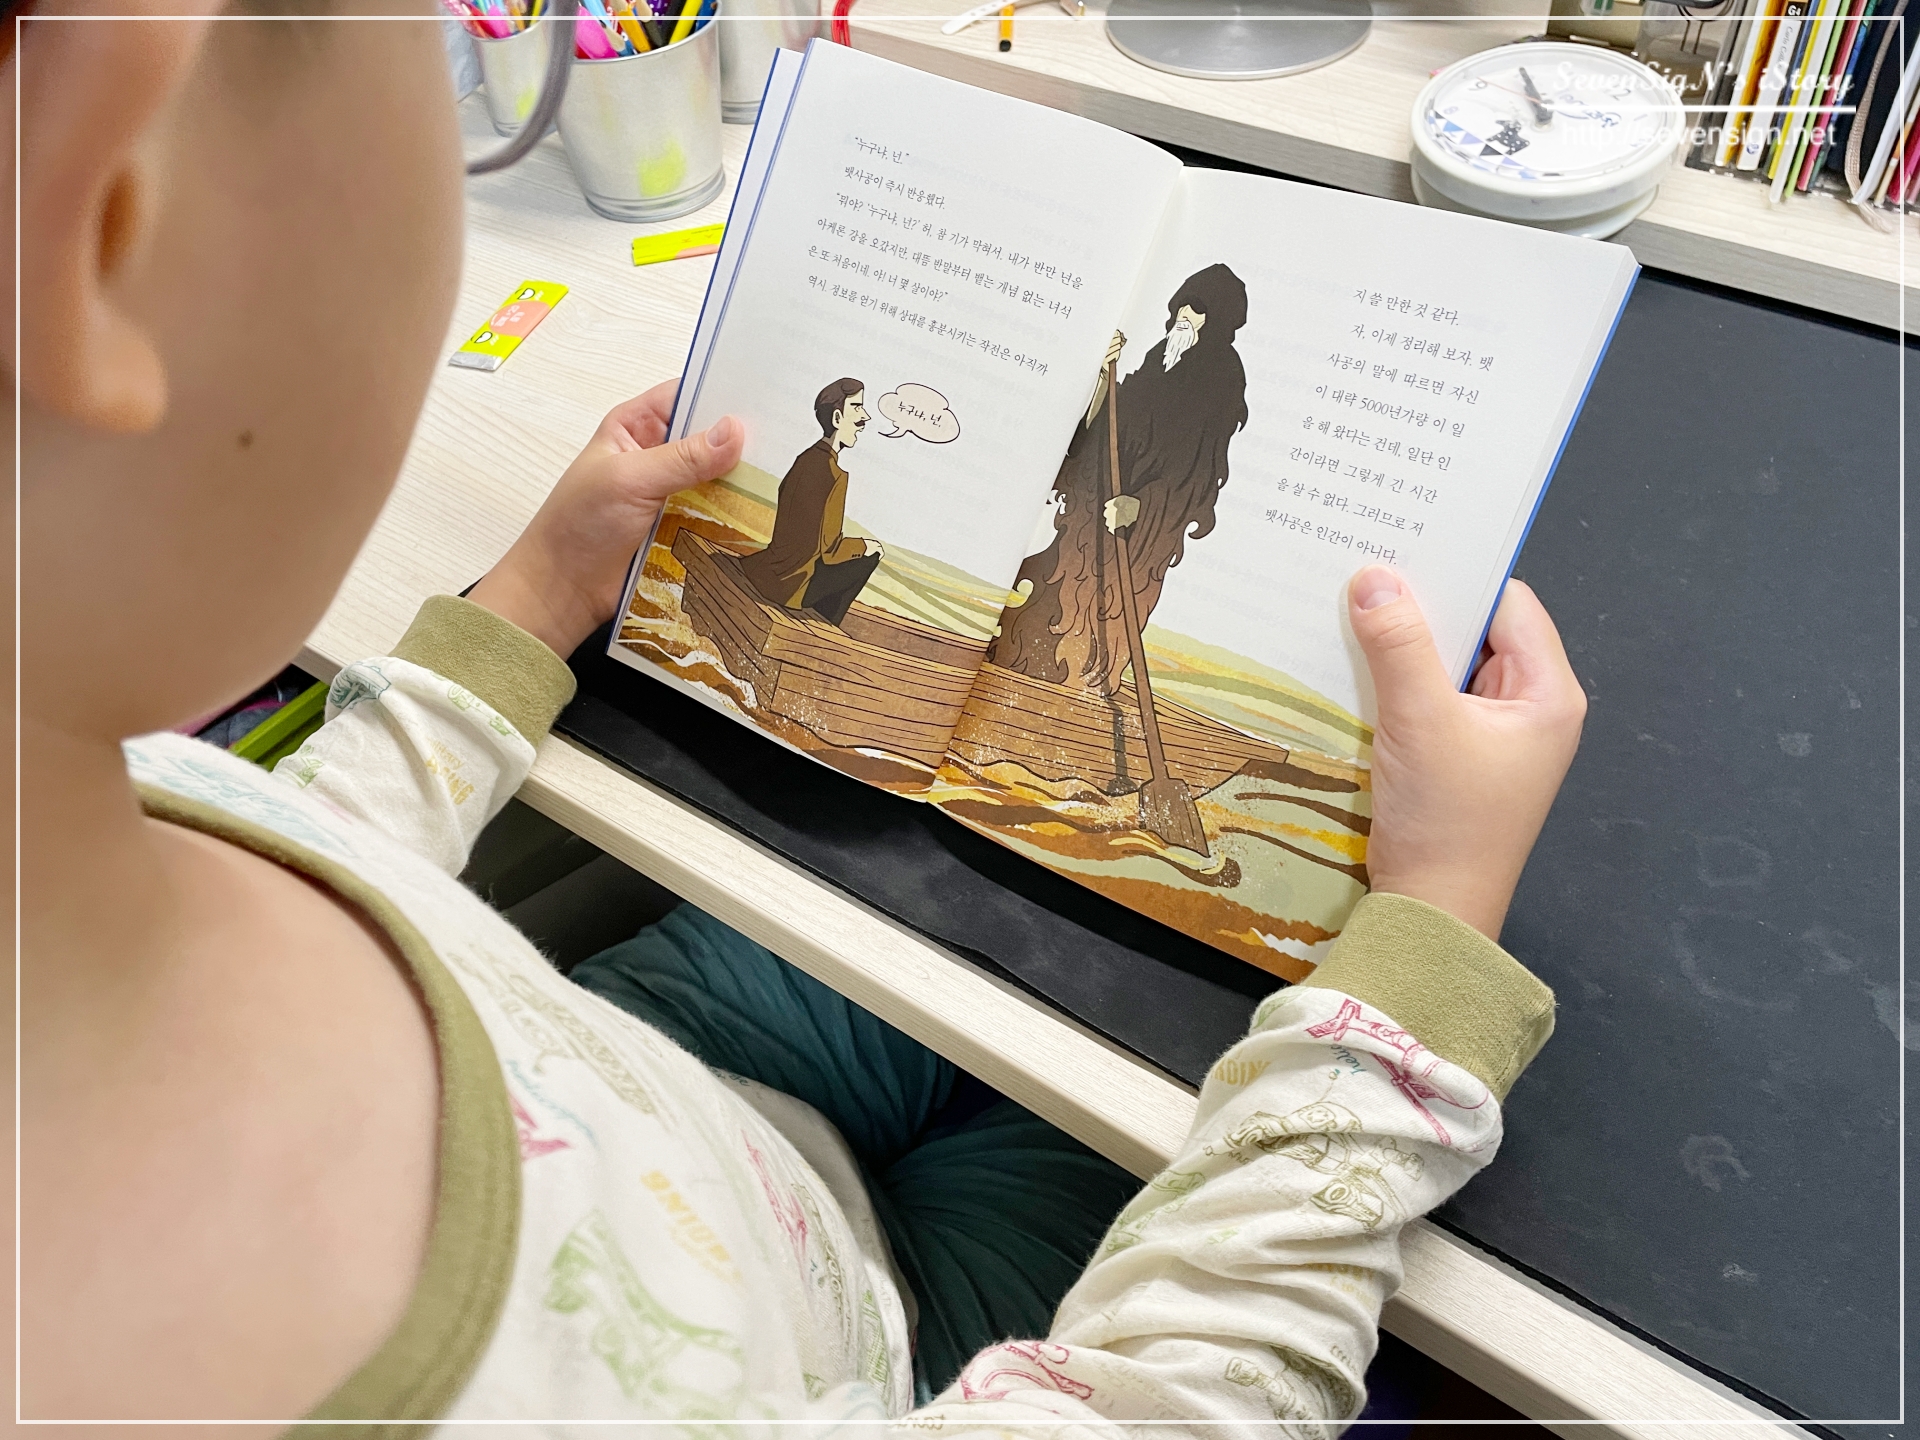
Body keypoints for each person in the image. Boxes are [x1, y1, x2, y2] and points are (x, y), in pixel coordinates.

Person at [16, 3, 1587, 1431]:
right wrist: (1433, 941)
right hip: (875, 1347)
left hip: (663, 1095)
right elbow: (1175, 1397)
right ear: (104, 178)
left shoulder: (85, 815)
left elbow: (312, 824)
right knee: (1149, 1115)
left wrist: (536, 595)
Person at [990, 265, 1249, 695]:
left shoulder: (1223, 375)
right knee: (1052, 598)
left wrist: (1141, 505)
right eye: (1183, 303)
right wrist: (1104, 375)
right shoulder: (1160, 356)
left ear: (1219, 317)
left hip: (1142, 532)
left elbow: (1198, 469)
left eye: (1199, 308)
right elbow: (1112, 420)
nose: (1185, 315)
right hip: (1096, 510)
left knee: (1101, 619)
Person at [737, 376, 884, 628]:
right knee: (872, 555)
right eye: (857, 408)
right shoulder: (834, 475)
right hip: (791, 586)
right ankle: (826, 625)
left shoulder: (804, 459)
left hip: (766, 570)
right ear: (837, 418)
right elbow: (831, 551)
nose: (865, 418)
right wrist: (865, 546)